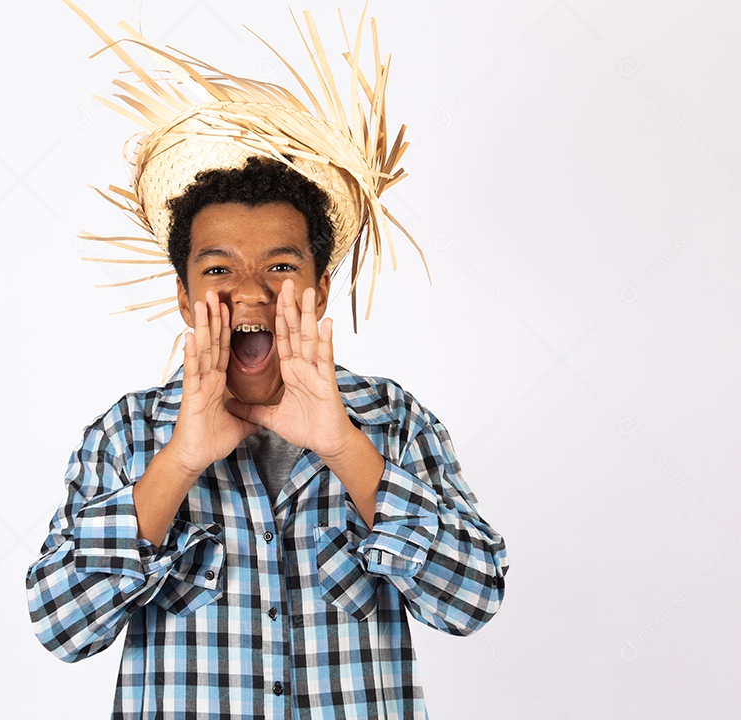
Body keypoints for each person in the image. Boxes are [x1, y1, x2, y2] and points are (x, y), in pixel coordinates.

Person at [28, 5, 508, 718]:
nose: (250, 290)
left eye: (280, 266)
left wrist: (345, 446)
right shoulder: (129, 433)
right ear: (187, 297)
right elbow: (61, 626)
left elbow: (471, 601)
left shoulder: (391, 419)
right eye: (218, 271)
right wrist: (179, 461)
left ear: (317, 291)